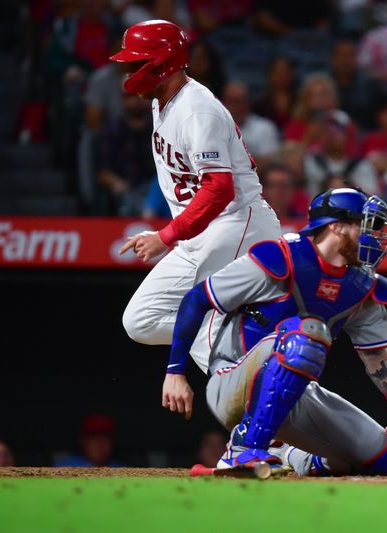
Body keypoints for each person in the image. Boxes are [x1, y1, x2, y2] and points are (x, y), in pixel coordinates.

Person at [163, 188, 387, 475]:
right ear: (338, 227)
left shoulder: (361, 287)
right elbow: (196, 300)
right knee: (307, 334)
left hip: (296, 394)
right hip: (233, 381)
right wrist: (176, 372)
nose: (375, 237)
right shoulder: (281, 256)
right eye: (367, 227)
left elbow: (381, 365)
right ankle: (243, 447)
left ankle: (290, 455)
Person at [110, 20, 281, 380]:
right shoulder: (163, 101)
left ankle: (263, 411)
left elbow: (220, 188)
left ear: (162, 63)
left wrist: (166, 236)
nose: (128, 71)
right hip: (200, 231)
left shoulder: (195, 109)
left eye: (135, 62)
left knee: (204, 321)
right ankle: (240, 339)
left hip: (237, 223)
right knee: (139, 321)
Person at [95, 91, 155, 215]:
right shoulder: (112, 128)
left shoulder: (158, 124)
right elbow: (103, 173)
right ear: (122, 99)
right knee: (129, 202)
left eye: (138, 96)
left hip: (156, 188)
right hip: (125, 188)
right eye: (130, 97)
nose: (135, 101)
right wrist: (116, 182)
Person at [303, 110, 380, 197]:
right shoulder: (310, 162)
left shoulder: (362, 166)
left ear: (347, 135)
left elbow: (372, 199)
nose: (331, 134)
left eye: (336, 129)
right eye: (325, 129)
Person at [221, 81, 281, 166]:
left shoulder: (265, 127)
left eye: (242, 101)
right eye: (233, 101)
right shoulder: (212, 128)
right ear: (223, 104)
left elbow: (271, 163)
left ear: (248, 102)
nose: (238, 107)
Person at [55, 414, 122, 467]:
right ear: (83, 441)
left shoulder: (122, 471)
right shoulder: (64, 468)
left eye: (106, 436)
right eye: (94, 436)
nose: (100, 442)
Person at [252, 56, 296, 130]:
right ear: (270, 75)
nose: (281, 76)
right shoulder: (259, 105)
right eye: (278, 72)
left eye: (284, 71)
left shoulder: (301, 103)